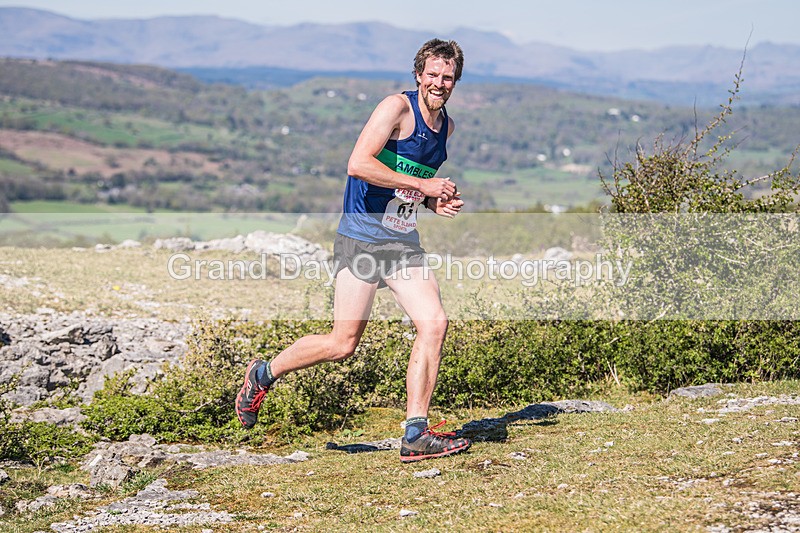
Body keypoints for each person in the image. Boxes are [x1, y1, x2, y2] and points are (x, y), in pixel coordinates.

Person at [235, 39, 471, 463]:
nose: (439, 83)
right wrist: (424, 186)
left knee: (434, 323)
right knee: (343, 343)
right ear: (419, 75)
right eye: (432, 74)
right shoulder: (396, 108)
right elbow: (358, 163)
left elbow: (402, 187)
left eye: (447, 76)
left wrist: (435, 202)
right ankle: (263, 374)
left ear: (456, 81)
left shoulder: (446, 129)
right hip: (361, 237)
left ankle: (415, 433)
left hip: (401, 242)